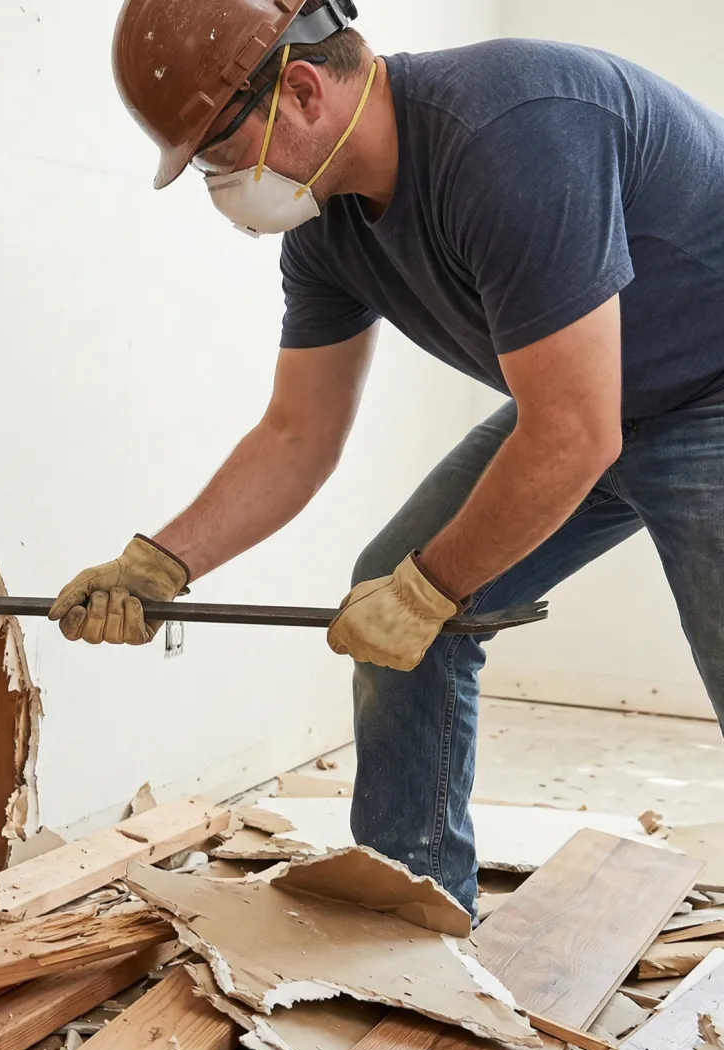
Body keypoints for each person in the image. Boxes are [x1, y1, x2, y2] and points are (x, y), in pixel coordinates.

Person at [48, 0, 724, 917]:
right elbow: (297, 436)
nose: (218, 184)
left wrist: (432, 589)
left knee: (426, 595)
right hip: (591, 401)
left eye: (215, 152)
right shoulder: (326, 225)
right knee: (392, 594)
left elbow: (572, 435)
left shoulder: (513, 134)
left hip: (705, 391)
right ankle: (414, 906)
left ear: (300, 90)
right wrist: (160, 563)